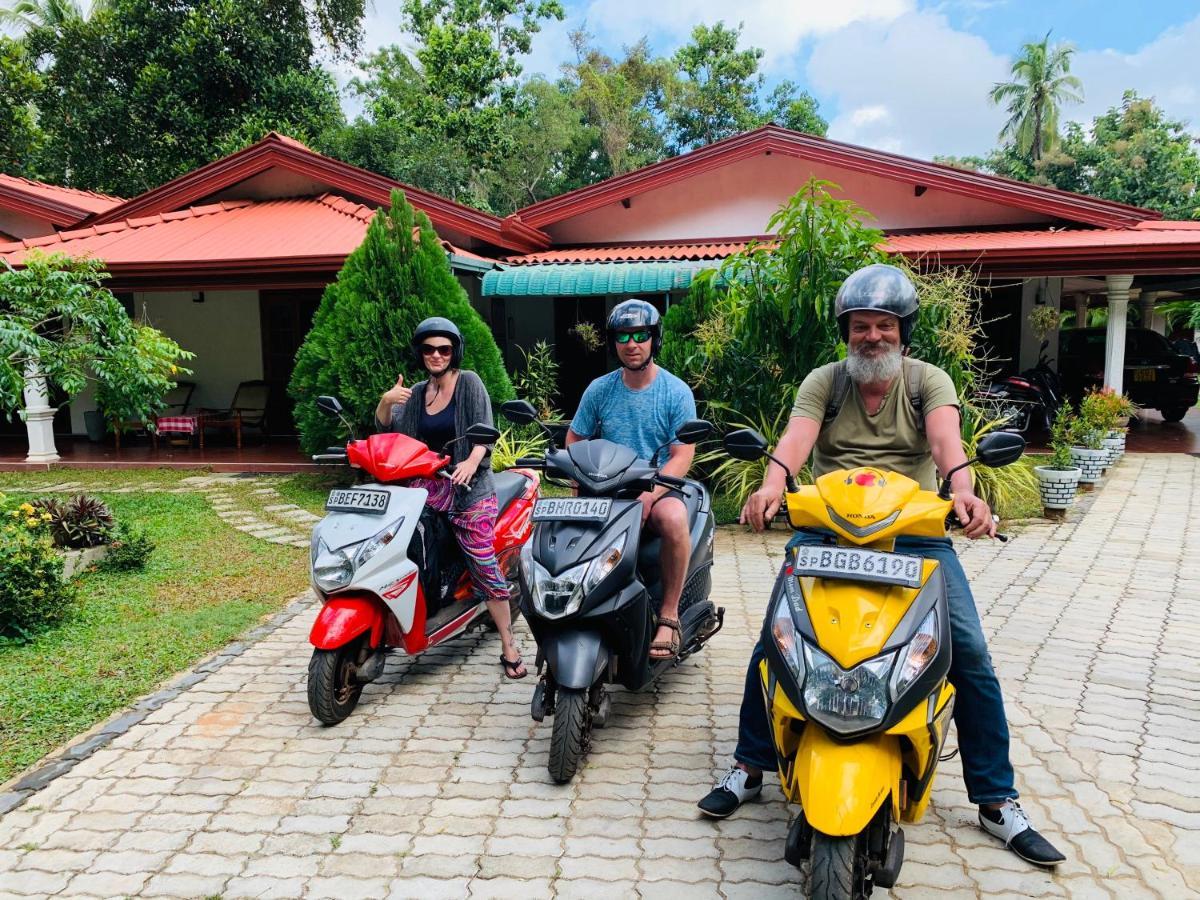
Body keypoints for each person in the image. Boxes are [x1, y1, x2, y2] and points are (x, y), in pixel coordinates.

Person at [697, 264, 1066, 868]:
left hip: (915, 536)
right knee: (775, 645)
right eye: (861, 327)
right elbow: (793, 443)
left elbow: (948, 445)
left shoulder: (926, 381)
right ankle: (749, 765)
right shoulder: (827, 382)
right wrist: (770, 486)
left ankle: (997, 800)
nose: (872, 337)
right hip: (828, 530)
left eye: (884, 326)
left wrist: (964, 491)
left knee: (967, 654)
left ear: (903, 331)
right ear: (846, 333)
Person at [375, 317, 526, 679]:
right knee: (393, 539)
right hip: (426, 488)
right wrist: (384, 401)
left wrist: (471, 463)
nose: (436, 355)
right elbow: (387, 432)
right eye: (429, 349)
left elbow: (484, 436)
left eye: (443, 349)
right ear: (420, 353)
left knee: (481, 558)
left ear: (454, 351)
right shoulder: (415, 393)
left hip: (468, 488)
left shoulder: (469, 383)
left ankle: (508, 643)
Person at [567, 299, 698, 660]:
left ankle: (669, 616)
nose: (631, 343)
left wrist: (650, 495)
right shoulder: (600, 390)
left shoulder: (675, 392)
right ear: (614, 343)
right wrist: (577, 482)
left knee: (672, 519)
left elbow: (682, 454)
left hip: (658, 485)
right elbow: (575, 439)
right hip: (607, 486)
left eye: (641, 335)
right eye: (623, 336)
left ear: (654, 340)